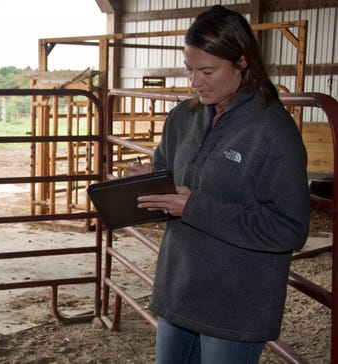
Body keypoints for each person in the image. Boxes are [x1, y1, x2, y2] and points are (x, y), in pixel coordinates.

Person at [125, 5, 310, 364]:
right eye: (190, 70)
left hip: (233, 307)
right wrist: (143, 186)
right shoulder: (183, 117)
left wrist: (194, 207)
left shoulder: (272, 132)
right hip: (179, 291)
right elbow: (167, 184)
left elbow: (289, 230)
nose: (195, 82)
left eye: (207, 71)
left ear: (241, 62)